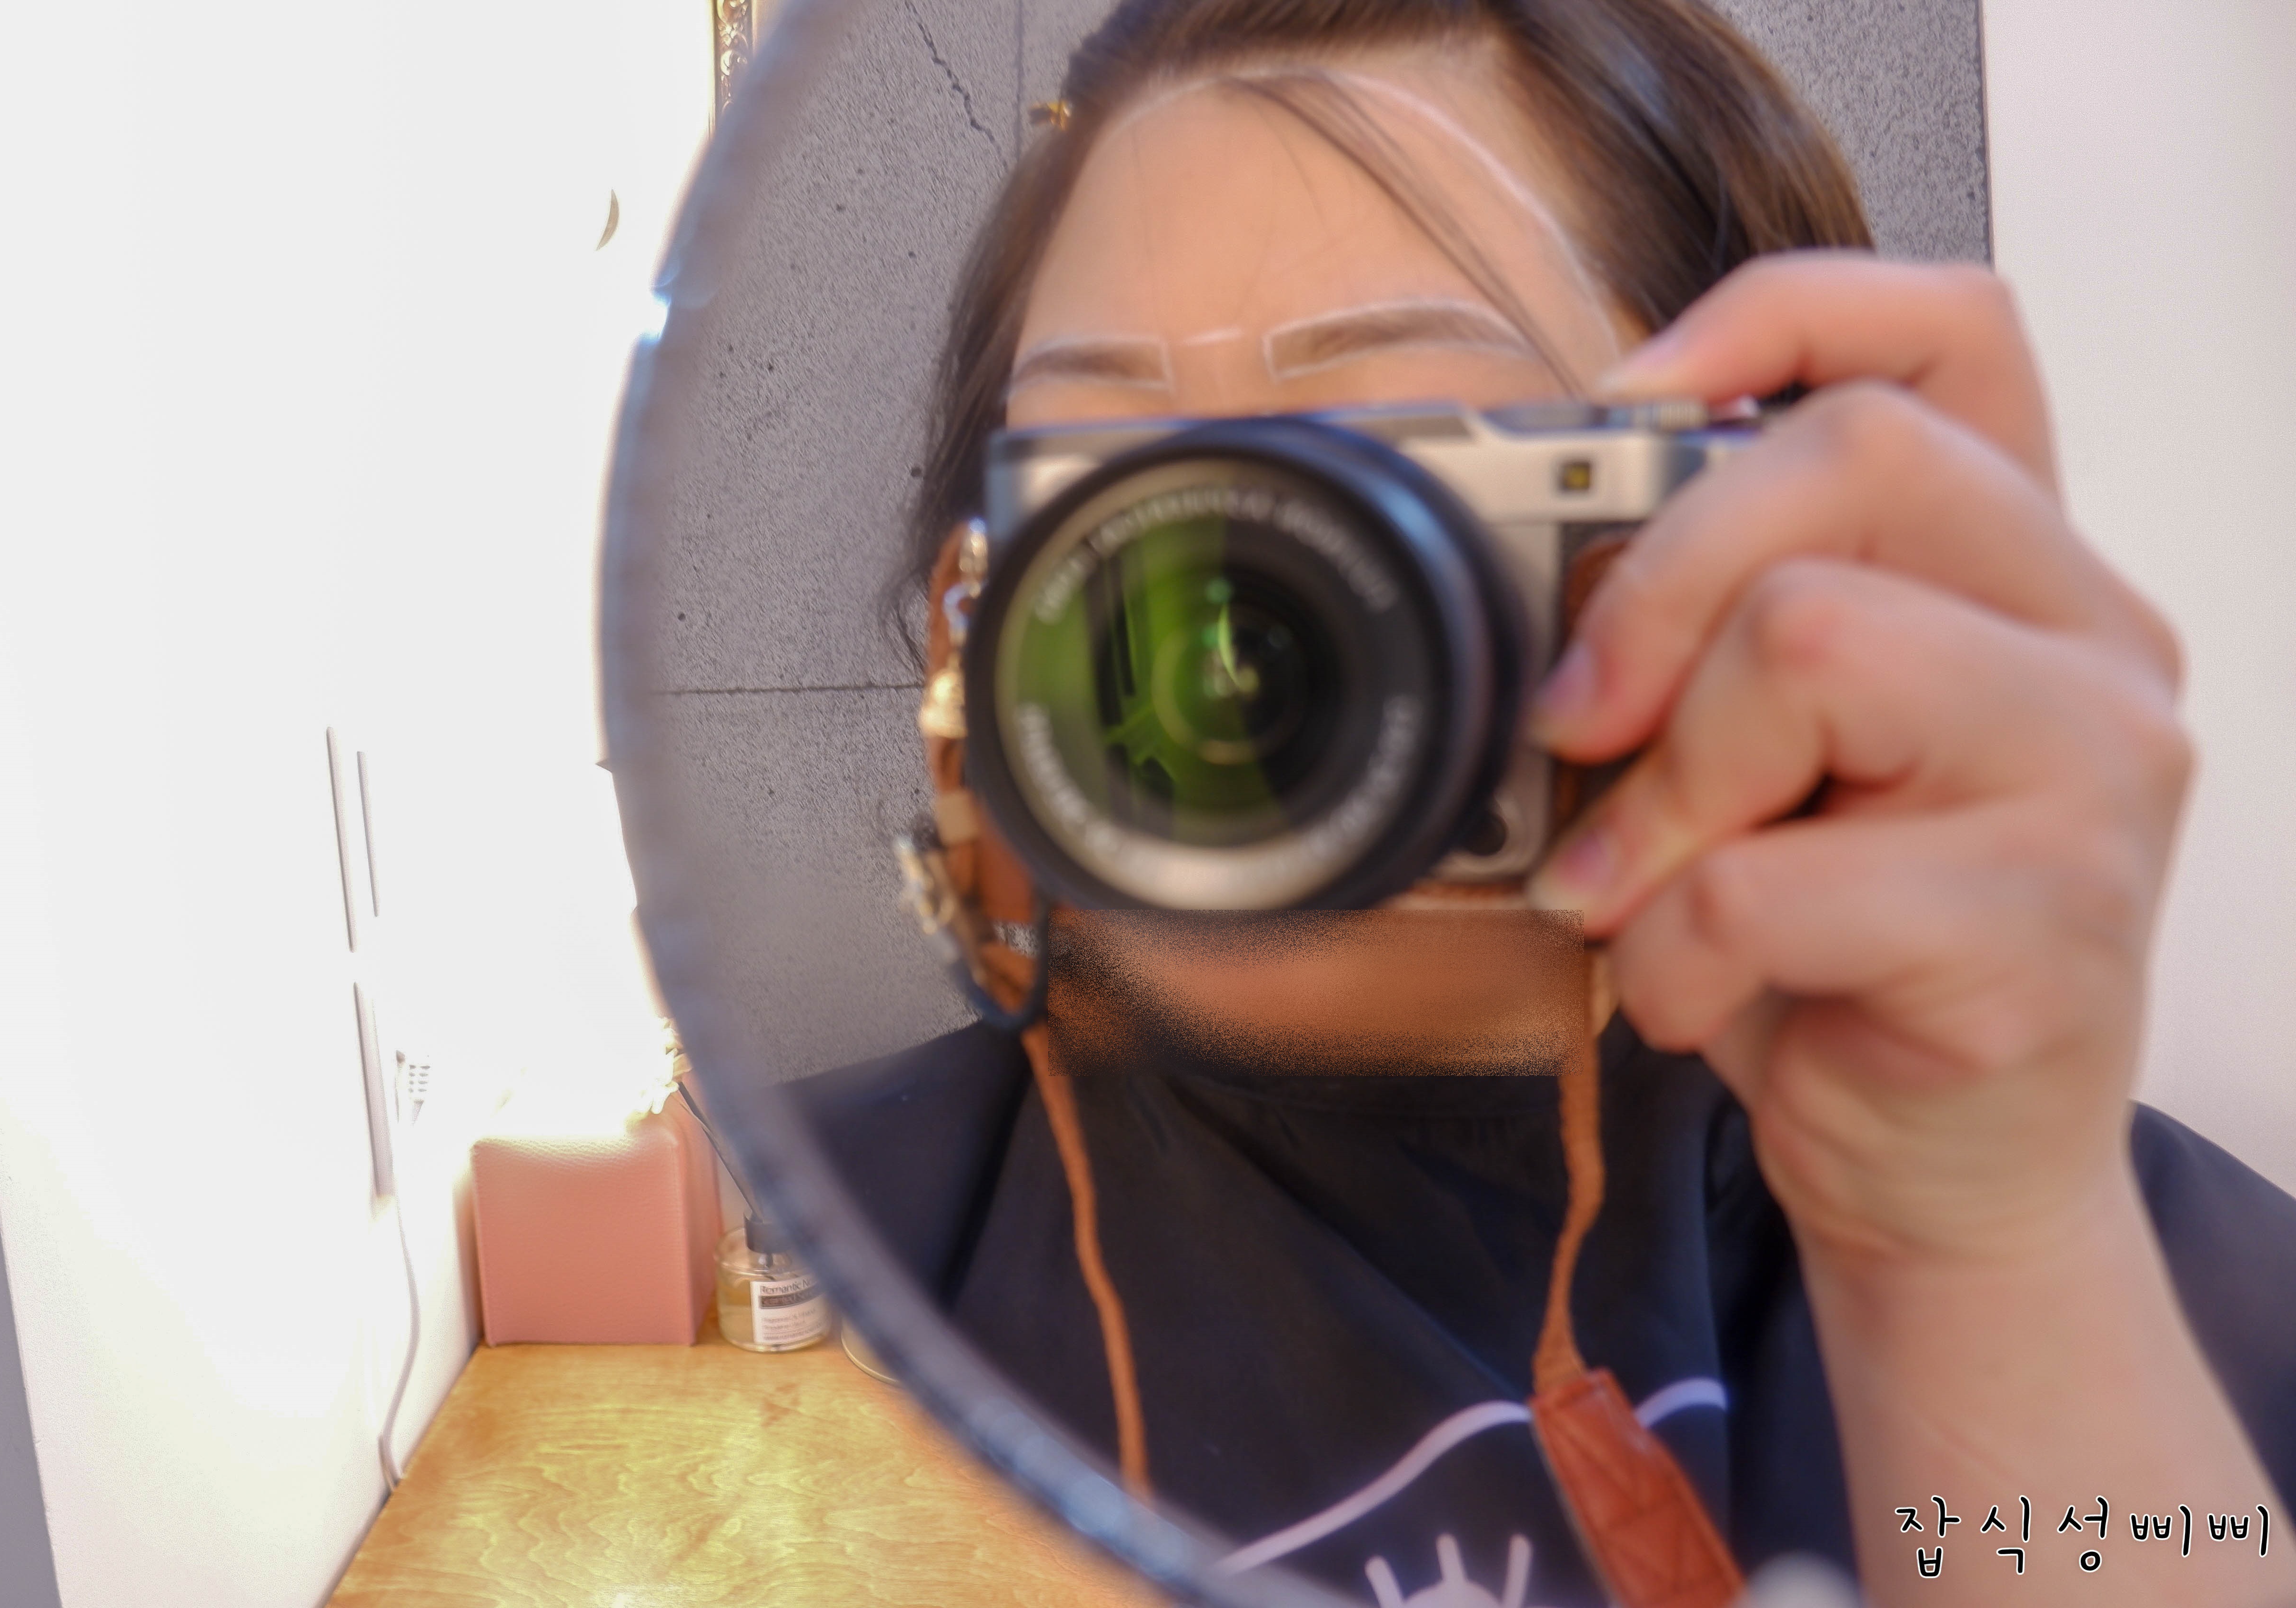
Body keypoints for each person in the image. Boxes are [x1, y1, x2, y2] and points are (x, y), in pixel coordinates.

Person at [789, 1, 2296, 1603]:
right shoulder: (802, 1257)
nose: (1206, 610)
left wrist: (1988, 1258)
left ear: (1745, 513)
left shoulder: (2157, 1297)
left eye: (1389, 461)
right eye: (1100, 477)